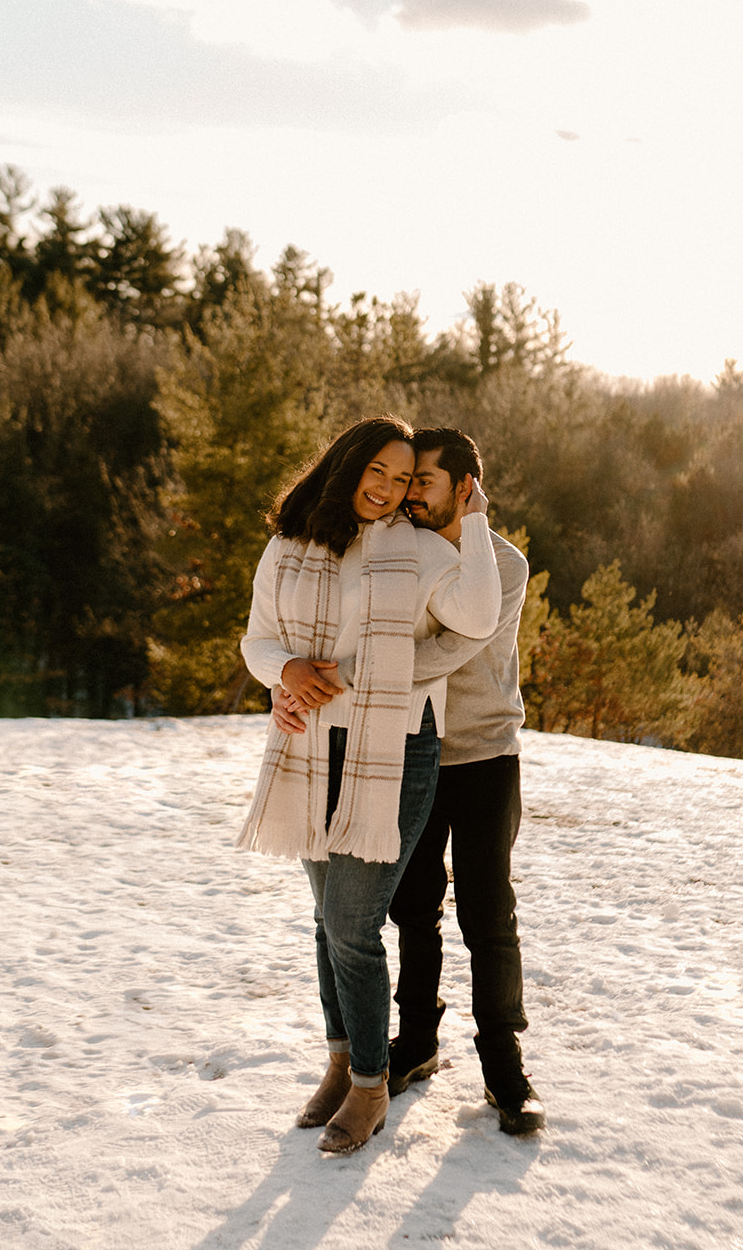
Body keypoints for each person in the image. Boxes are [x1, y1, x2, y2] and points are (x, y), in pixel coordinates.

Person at [237, 416, 501, 1156]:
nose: (386, 490)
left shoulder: (417, 549)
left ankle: (369, 1083)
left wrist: (473, 524)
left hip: (395, 745)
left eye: (401, 477)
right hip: (306, 743)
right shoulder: (288, 548)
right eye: (376, 472)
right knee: (326, 921)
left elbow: (478, 616)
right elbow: (257, 640)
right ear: (347, 465)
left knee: (353, 924)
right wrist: (284, 672)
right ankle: (338, 1060)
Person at [388, 427, 545, 1135]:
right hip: (411, 753)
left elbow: (451, 649)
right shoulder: (398, 552)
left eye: (424, 479)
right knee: (412, 908)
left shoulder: (503, 564)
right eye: (408, 479)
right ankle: (415, 1043)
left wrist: (382, 666)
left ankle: (502, 1064)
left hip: (484, 757)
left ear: (465, 487)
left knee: (488, 913)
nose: (410, 491)